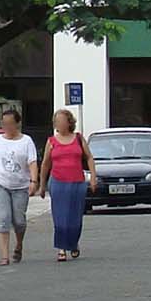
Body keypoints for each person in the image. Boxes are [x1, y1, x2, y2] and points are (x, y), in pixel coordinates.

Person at [35, 108, 98, 261]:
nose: (59, 124)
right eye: (57, 121)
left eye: (62, 121)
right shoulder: (51, 141)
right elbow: (45, 164)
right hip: (58, 182)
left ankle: (73, 243)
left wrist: (93, 177)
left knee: (75, 217)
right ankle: (61, 248)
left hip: (77, 182)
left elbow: (89, 157)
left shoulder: (78, 138)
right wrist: (42, 185)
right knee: (60, 216)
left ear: (69, 122)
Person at [0, 108, 37, 266]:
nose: (7, 127)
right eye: (4, 124)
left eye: (10, 124)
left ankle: (19, 244)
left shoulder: (26, 141)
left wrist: (34, 181)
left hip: (20, 186)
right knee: (3, 218)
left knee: (19, 221)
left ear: (17, 124)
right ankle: (4, 256)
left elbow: (32, 163)